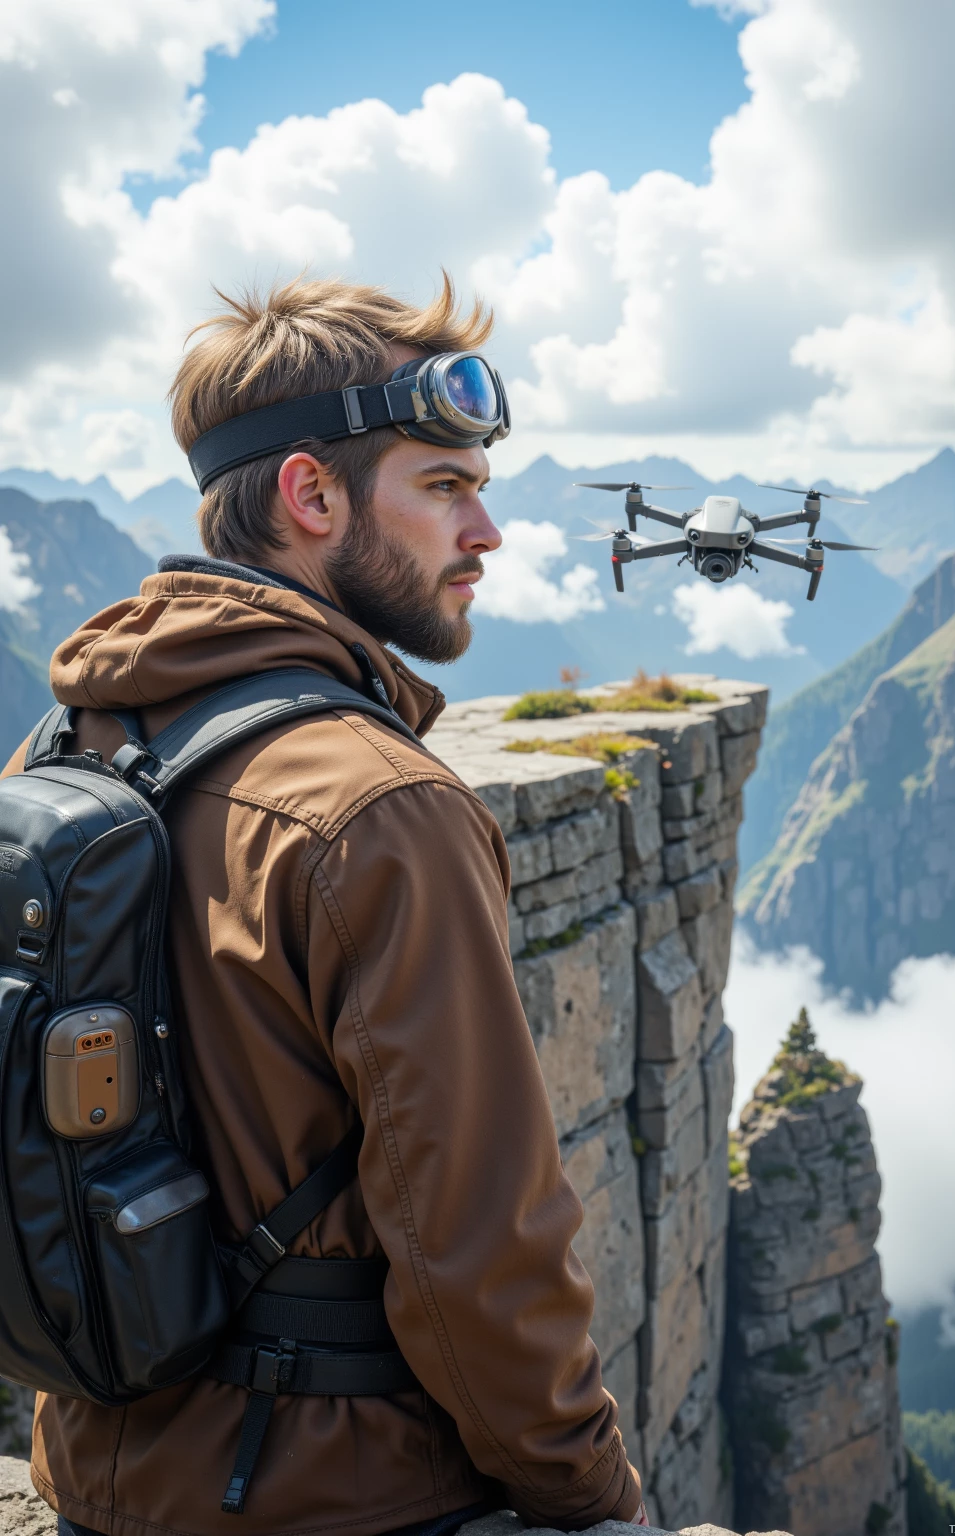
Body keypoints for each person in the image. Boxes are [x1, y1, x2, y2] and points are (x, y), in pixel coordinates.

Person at [6, 276, 645, 1536]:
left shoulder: (56, 751)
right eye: (446, 486)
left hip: (92, 1477)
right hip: (347, 1499)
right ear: (312, 496)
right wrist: (592, 1494)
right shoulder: (384, 811)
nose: (486, 533)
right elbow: (480, 1252)